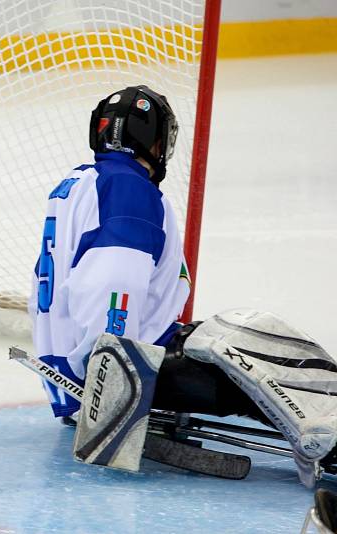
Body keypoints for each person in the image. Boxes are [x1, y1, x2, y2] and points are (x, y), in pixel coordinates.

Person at [28, 85, 337, 487]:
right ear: (151, 137)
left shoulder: (80, 182)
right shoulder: (128, 188)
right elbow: (112, 280)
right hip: (126, 369)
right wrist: (113, 379)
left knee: (235, 345)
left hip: (78, 372)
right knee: (252, 333)